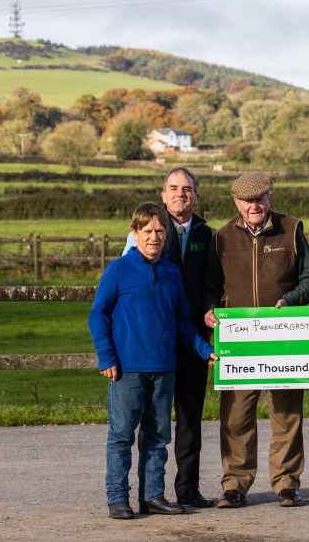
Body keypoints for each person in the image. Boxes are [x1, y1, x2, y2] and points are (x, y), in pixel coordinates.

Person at [89, 202, 217, 520]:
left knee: (158, 435)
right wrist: (106, 356)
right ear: (135, 233)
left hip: (164, 368)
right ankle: (118, 498)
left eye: (159, 231)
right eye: (147, 231)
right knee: (121, 435)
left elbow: (183, 321)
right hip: (127, 370)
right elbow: (97, 315)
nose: (154, 237)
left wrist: (203, 349)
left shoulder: (172, 273)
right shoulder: (118, 270)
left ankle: (153, 496)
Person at [204, 172, 309, 509]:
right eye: (246, 201)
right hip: (239, 342)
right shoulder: (221, 237)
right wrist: (210, 311)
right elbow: (211, 288)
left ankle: (286, 483)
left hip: (283, 339)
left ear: (270, 197)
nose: (254, 206)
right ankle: (235, 484)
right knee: (236, 416)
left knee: (287, 413)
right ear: (236, 202)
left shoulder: (292, 229)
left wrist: (292, 300)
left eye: (260, 199)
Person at [123, 167, 219, 509]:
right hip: (157, 343)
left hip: (194, 340)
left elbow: (213, 284)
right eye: (174, 188)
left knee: (191, 419)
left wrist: (210, 309)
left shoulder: (207, 234)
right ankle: (152, 492)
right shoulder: (151, 231)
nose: (181, 194)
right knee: (154, 421)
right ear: (163, 195)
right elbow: (127, 280)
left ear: (196, 195)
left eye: (187, 189)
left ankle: (188, 489)